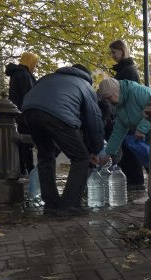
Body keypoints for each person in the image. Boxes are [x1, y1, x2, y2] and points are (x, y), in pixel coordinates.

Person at [22, 64, 104, 216]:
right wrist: (95, 150)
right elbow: (94, 120)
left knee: (46, 156)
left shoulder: (49, 77)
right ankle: (70, 205)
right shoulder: (85, 85)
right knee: (81, 158)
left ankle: (51, 205)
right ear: (87, 76)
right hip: (58, 114)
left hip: (29, 111)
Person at [109, 39, 145, 190]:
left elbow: (127, 95)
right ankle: (134, 179)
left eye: (114, 52)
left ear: (122, 51)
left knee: (130, 148)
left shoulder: (128, 71)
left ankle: (136, 180)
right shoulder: (124, 70)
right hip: (127, 115)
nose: (112, 56)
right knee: (126, 147)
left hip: (130, 115)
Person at [97, 78, 151, 167]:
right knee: (150, 164)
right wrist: (108, 154)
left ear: (116, 91)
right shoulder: (120, 106)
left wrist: (142, 129)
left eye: (109, 97)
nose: (109, 101)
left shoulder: (139, 92)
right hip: (149, 133)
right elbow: (118, 132)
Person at [5, 52, 39, 176]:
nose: (36, 67)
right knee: (27, 141)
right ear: (30, 62)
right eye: (35, 64)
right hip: (25, 113)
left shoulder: (16, 74)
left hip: (18, 112)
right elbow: (30, 95)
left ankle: (22, 167)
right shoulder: (24, 75)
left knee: (23, 142)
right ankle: (28, 168)